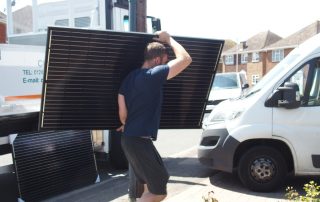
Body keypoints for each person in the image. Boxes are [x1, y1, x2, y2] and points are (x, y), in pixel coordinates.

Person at [117, 31, 192, 202]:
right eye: (165, 61)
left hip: (129, 139)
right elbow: (186, 59)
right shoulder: (153, 76)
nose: (166, 65)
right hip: (138, 141)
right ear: (157, 61)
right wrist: (169, 39)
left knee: (151, 183)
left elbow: (123, 115)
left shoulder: (128, 78)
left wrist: (128, 123)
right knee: (159, 191)